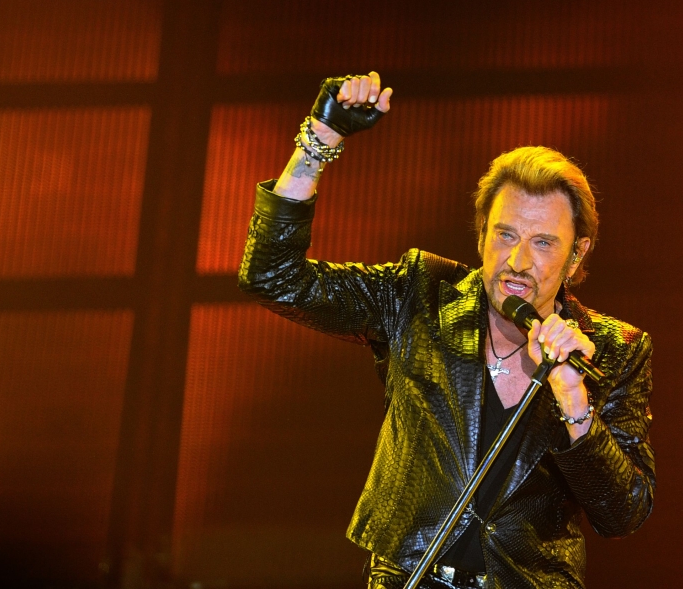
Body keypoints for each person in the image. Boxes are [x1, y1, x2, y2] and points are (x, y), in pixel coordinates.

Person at [239, 72, 655, 589]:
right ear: (481, 233)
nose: (518, 261)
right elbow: (273, 277)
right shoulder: (420, 293)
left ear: (577, 255)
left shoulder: (613, 351)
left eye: (544, 243)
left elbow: (625, 513)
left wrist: (574, 403)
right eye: (505, 234)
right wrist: (320, 140)